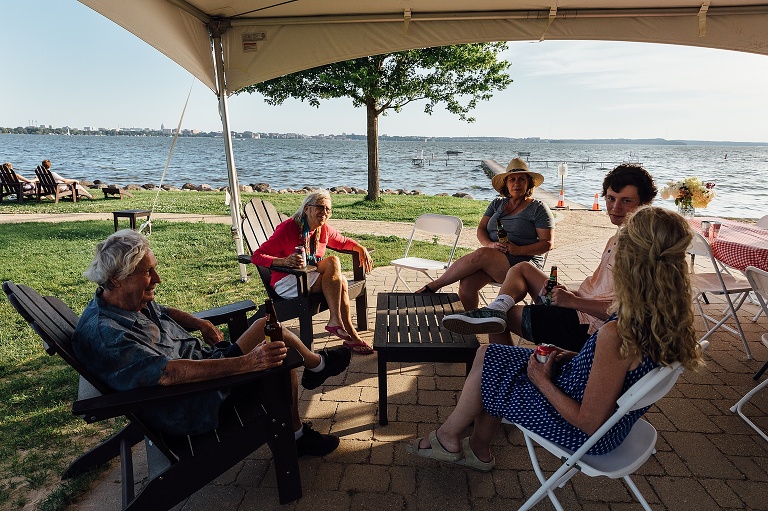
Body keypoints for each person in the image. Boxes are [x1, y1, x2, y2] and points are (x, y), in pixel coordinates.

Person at [406, 206, 703, 470]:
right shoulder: (668, 313)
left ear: (631, 263)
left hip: (585, 434)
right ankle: (473, 446)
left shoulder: (619, 332)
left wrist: (541, 379)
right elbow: (624, 369)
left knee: (492, 368)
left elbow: (588, 422)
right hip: (611, 415)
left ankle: (451, 438)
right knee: (490, 358)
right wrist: (579, 357)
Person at [72, 229, 352, 457]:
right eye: (147, 272)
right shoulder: (109, 335)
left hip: (206, 371)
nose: (156, 279)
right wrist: (249, 362)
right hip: (197, 402)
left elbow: (165, 311)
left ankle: (317, 366)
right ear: (116, 279)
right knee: (278, 357)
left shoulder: (122, 301)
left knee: (267, 329)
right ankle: (296, 434)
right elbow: (169, 374)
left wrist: (202, 324)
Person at [442, 163, 657, 351]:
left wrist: (573, 301)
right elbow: (601, 292)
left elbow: (627, 312)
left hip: (588, 327)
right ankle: (496, 309)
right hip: (580, 306)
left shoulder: (640, 247)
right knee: (523, 269)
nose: (615, 207)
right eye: (610, 198)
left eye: (626, 201)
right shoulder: (619, 236)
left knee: (502, 319)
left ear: (645, 202)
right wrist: (568, 293)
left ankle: (503, 370)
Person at [415, 158, 554, 310]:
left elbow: (547, 243)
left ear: (529, 183)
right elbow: (481, 229)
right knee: (467, 284)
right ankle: (471, 325)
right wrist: (490, 244)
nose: (517, 183)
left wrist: (518, 250)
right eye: (512, 179)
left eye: (522, 179)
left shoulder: (538, 208)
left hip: (523, 264)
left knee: (481, 254)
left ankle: (433, 286)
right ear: (506, 184)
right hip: (494, 260)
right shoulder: (497, 204)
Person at [251, 190, 374, 354]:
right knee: (342, 282)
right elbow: (257, 256)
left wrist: (360, 247)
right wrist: (283, 261)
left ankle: (337, 322)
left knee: (333, 262)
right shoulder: (288, 228)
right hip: (287, 280)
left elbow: (343, 242)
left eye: (328, 209)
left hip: (307, 275)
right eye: (320, 207)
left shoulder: (323, 229)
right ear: (307, 208)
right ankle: (350, 334)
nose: (324, 212)